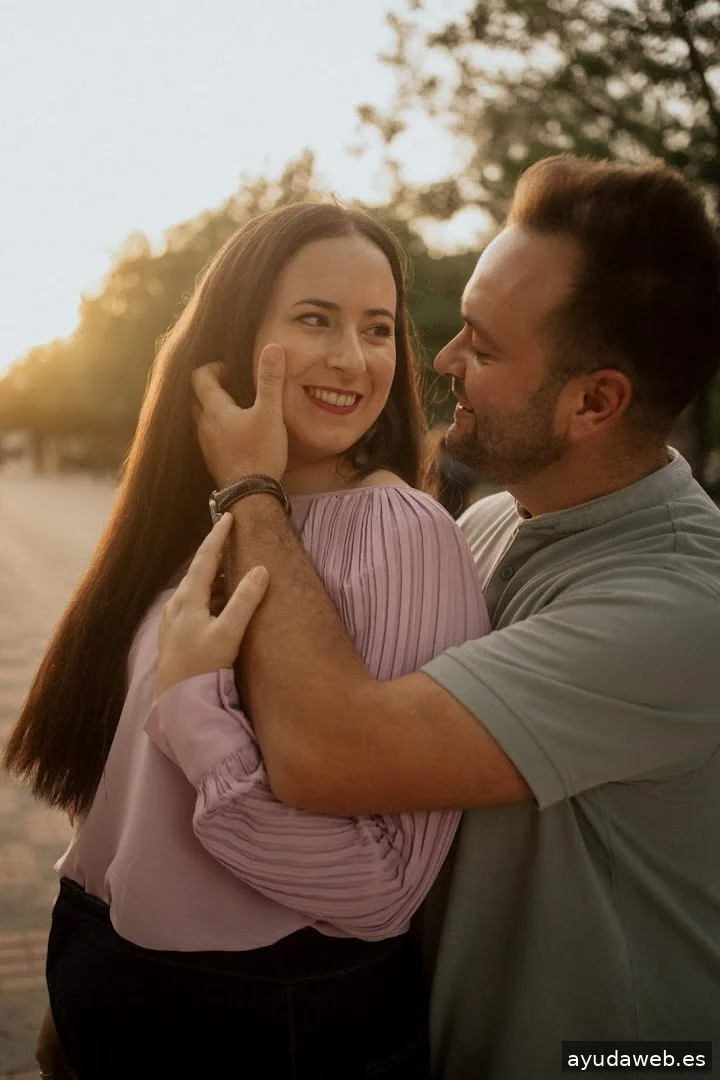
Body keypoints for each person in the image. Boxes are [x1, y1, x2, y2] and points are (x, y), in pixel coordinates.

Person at [180, 155, 720, 1079]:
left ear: (596, 402)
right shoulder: (490, 520)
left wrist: (251, 490)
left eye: (483, 344)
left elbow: (326, 754)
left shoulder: (680, 605)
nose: (442, 361)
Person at [2, 203, 490, 1079]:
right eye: (315, 319)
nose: (352, 358)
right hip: (103, 966)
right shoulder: (208, 511)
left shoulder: (400, 529)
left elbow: (381, 888)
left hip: (267, 1015)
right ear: (231, 337)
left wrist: (197, 713)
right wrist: (85, 980)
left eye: (377, 329)